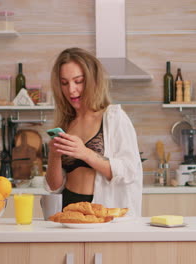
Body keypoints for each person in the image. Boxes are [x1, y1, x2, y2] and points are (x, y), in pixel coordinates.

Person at [44, 47, 143, 217]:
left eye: (78, 81)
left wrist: (85, 153)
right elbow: (54, 187)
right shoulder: (66, 123)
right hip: (68, 213)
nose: (71, 90)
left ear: (92, 80)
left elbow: (129, 171)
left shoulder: (114, 117)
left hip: (101, 214)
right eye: (64, 83)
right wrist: (54, 155)